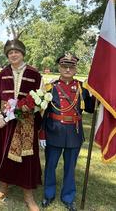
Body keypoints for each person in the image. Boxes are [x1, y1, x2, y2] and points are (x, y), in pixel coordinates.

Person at [0, 38, 43, 211]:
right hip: (6, 123)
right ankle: (3, 188)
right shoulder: (1, 75)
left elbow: (42, 101)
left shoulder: (35, 75)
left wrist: (31, 110)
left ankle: (28, 195)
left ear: (22, 54)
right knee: (5, 155)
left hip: (26, 123)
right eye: (10, 52)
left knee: (26, 159)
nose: (13, 55)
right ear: (7, 55)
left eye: (16, 52)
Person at [40, 53, 95, 211]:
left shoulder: (81, 87)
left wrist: (93, 95)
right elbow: (44, 112)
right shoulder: (51, 87)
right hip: (53, 131)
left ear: (76, 69)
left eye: (71, 67)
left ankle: (68, 197)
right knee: (51, 165)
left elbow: (90, 109)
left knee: (70, 168)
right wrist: (42, 134)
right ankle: (49, 195)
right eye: (64, 66)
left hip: (73, 132)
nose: (68, 69)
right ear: (59, 67)